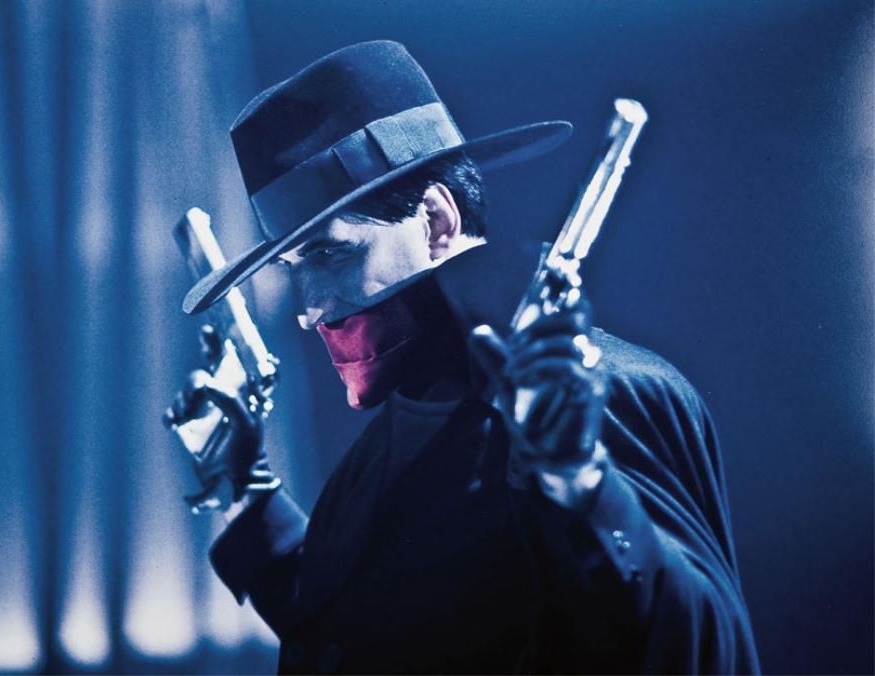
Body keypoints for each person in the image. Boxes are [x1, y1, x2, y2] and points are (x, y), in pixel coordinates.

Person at [165, 41, 760, 673]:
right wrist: (243, 487)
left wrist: (582, 484)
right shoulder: (394, 435)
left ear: (436, 221)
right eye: (293, 266)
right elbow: (358, 638)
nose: (309, 309)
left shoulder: (607, 395)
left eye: (332, 253)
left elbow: (701, 652)